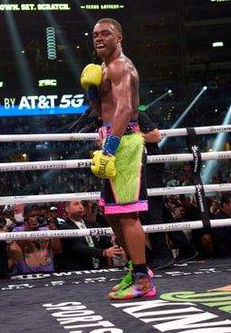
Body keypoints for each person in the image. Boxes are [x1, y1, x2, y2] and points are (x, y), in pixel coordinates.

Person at [81, 18, 155, 300]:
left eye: (106, 33)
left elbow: (124, 110)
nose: (99, 38)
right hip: (111, 140)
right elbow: (103, 112)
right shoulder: (102, 69)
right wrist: (91, 91)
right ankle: (136, 270)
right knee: (113, 215)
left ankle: (143, 281)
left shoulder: (120, 65)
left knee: (127, 214)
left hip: (123, 143)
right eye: (95, 34)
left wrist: (110, 148)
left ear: (119, 37)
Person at [137, 111, 198, 270]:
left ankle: (162, 255)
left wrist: (129, 138)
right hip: (141, 165)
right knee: (160, 211)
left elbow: (156, 136)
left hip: (150, 165)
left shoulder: (135, 113)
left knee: (152, 209)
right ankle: (185, 248)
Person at [56, 200, 123, 271]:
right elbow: (78, 247)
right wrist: (104, 252)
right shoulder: (64, 227)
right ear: (67, 209)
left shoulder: (91, 224)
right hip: (78, 269)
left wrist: (113, 242)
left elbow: (103, 239)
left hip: (97, 268)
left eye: (81, 204)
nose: (81, 206)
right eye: (76, 204)